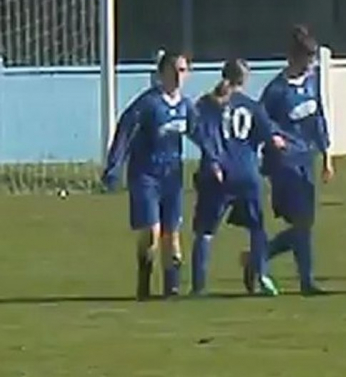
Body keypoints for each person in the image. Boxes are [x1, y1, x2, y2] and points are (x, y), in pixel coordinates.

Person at [101, 52, 200, 300]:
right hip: (145, 175)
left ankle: (172, 288)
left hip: (172, 177)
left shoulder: (186, 106)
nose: (179, 76)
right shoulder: (148, 104)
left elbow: (202, 136)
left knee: (172, 233)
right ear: (162, 72)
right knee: (152, 231)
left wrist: (218, 159)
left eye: (183, 70)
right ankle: (144, 281)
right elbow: (125, 132)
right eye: (174, 70)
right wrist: (114, 167)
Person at [245, 25, 334, 295]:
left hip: (306, 158)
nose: (311, 63)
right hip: (283, 163)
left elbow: (319, 118)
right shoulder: (276, 90)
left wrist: (327, 155)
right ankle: (305, 281)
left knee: (304, 225)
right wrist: (271, 136)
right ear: (293, 57)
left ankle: (257, 259)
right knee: (301, 223)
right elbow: (258, 120)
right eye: (307, 58)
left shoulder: (311, 82)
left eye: (313, 58)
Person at [190, 59, 287, 296]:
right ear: (244, 79)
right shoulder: (252, 106)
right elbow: (272, 137)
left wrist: (212, 159)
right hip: (247, 173)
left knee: (205, 232)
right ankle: (262, 275)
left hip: (218, 174)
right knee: (257, 229)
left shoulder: (207, 103)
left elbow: (198, 132)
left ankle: (199, 286)